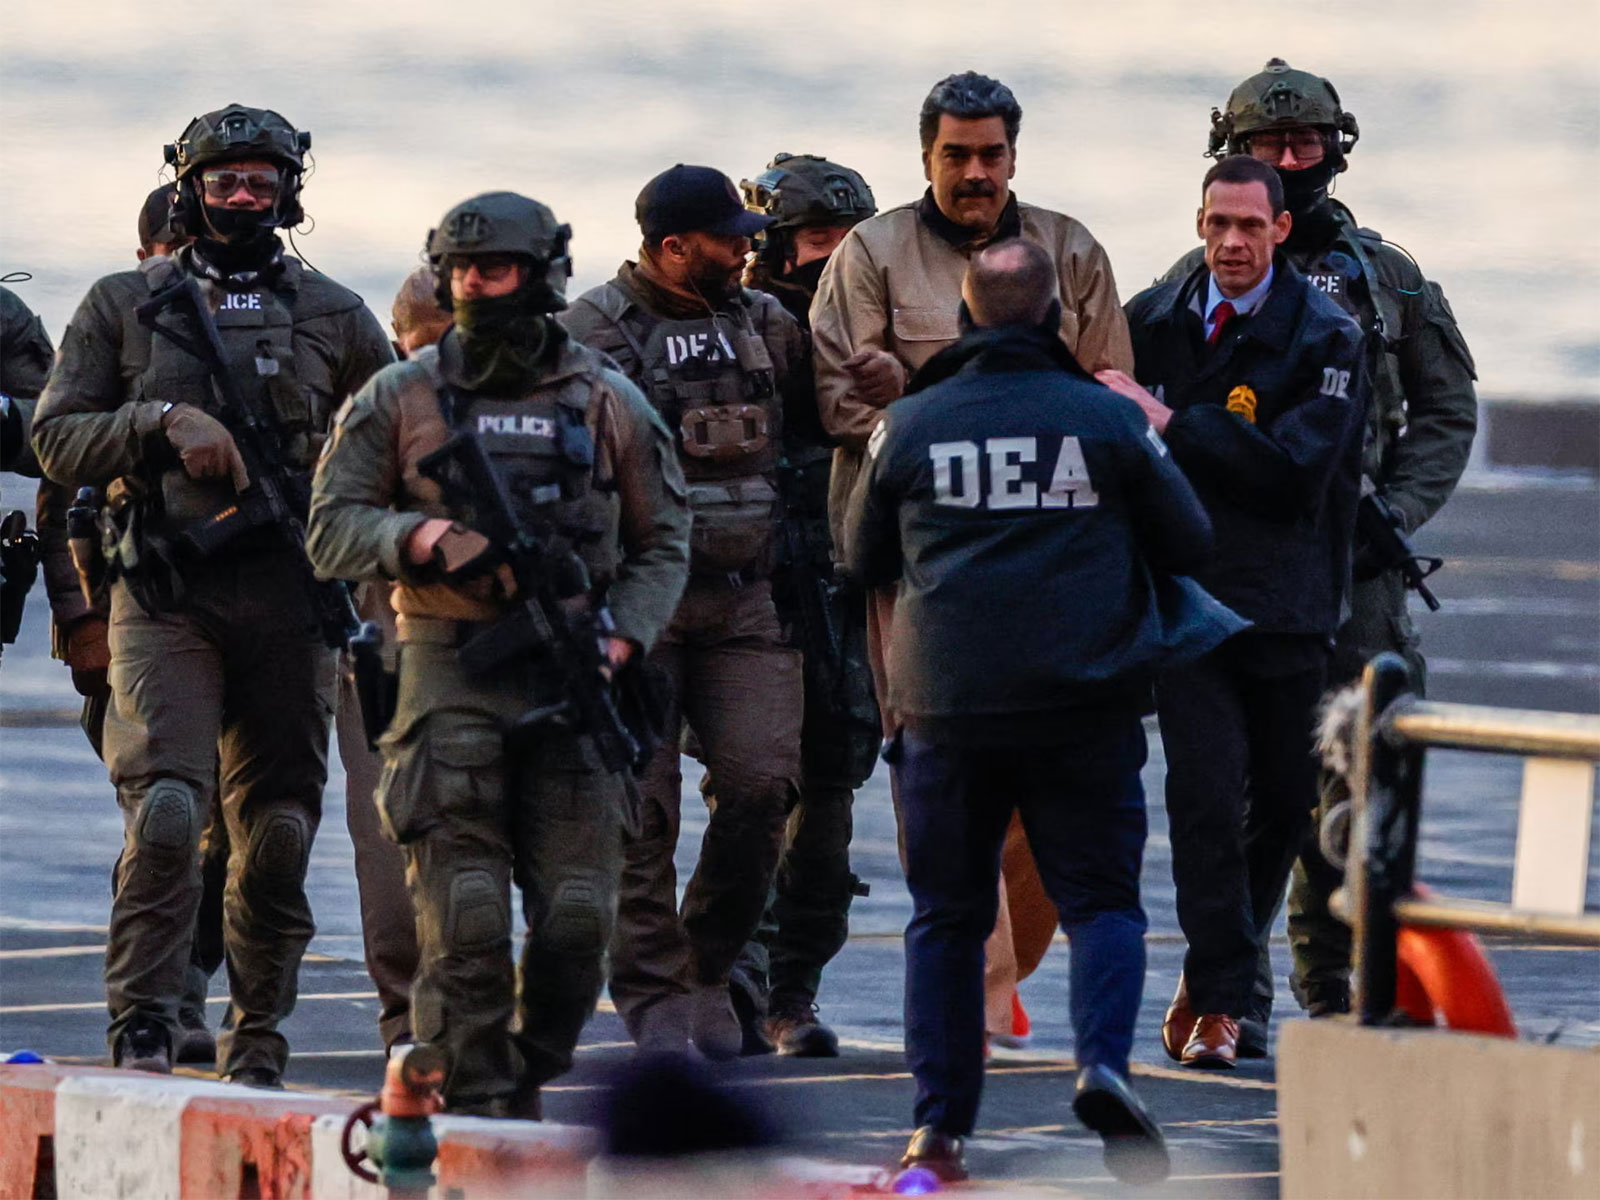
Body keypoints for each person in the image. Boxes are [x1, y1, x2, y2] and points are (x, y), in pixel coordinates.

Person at [844, 238, 1239, 1185]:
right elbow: (1191, 538)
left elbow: (861, 560)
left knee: (945, 916)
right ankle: (1102, 1063)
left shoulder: (909, 424)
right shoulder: (1106, 421)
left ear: (970, 319)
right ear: (1058, 321)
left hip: (945, 707)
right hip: (1083, 701)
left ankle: (937, 1128)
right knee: (1103, 902)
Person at [31, 104, 394, 1085]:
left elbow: (405, 443)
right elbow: (55, 442)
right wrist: (162, 421)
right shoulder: (120, 304)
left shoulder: (338, 315)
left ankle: (259, 1033)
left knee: (276, 830)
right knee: (164, 812)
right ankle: (146, 1017)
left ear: (289, 191)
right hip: (164, 594)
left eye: (260, 180)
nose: (243, 196)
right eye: (224, 179)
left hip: (292, 598)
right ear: (189, 188)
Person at [307, 190, 691, 1115]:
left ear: (543, 274)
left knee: (576, 922)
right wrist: (421, 541)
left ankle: (528, 1064)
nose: (479, 286)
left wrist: (621, 636)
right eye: (465, 270)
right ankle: (475, 1100)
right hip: (448, 666)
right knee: (467, 916)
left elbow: (664, 540)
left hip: (575, 672)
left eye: (499, 269)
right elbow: (330, 529)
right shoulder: (399, 396)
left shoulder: (606, 398)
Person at [809, 69, 1134, 1047]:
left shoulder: (1068, 251)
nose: (975, 173)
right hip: (920, 567)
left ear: (1013, 157)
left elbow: (1114, 384)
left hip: (1054, 559)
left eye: (991, 155)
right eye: (956, 155)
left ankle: (1009, 973)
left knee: (1045, 805)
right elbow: (839, 403)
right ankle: (980, 999)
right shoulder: (869, 254)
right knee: (939, 787)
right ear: (925, 158)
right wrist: (954, 429)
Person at [1166, 59, 1478, 1025]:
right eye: (1269, 147)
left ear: (1336, 152)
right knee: (1258, 778)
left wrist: (1399, 513)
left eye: (1306, 146)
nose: (1291, 161)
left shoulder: (1387, 277)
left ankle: (1338, 975)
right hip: (1248, 565)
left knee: (1368, 767)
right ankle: (1231, 987)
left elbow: (1447, 407)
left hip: (1362, 563)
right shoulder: (1193, 281)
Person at [1105, 154, 1365, 1069]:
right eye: (1217, 224)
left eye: (1250, 226)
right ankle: (1219, 1001)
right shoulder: (1157, 320)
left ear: (1282, 229)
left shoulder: (1327, 335)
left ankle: (1218, 966)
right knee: (1205, 796)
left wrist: (1176, 426)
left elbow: (1294, 475)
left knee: (1288, 803)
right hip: (1188, 599)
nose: (1231, 243)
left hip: (1289, 604)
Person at [562, 164, 806, 1060]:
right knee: (639, 815)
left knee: (759, 791)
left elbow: (826, 419)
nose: (748, 249)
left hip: (749, 605)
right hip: (641, 609)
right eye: (729, 238)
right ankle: (657, 995)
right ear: (672, 248)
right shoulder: (589, 333)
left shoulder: (768, 324)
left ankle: (707, 963)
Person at [30, 185, 228, 1066]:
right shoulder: (114, 340)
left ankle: (190, 984)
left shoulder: (241, 342)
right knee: (165, 817)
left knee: (233, 831)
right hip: (130, 619)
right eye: (170, 246)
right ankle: (160, 997)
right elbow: (56, 493)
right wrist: (81, 623)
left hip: (240, 616)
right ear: (145, 249)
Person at [727, 153, 881, 1057]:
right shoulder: (737, 332)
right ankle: (730, 973)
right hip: (744, 595)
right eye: (818, 240)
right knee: (747, 798)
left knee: (824, 812)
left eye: (847, 242)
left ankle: (790, 990)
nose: (832, 258)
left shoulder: (880, 331)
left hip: (840, 590)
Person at [326, 265, 451, 1052]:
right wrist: (408, 537)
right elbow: (330, 530)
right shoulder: (374, 412)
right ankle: (409, 1017)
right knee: (391, 830)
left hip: (510, 647)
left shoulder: (551, 398)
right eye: (426, 343)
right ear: (399, 340)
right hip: (392, 638)